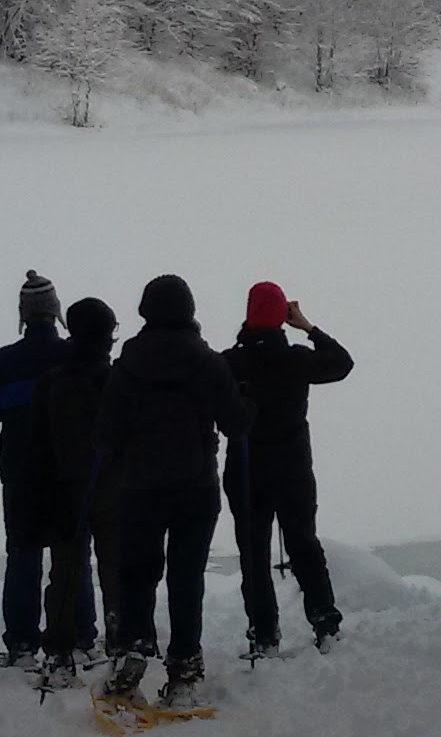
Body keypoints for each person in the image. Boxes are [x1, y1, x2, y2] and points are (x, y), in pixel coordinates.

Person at [93, 274, 249, 708]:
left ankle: (133, 651)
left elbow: (105, 435)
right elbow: (237, 424)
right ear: (189, 311)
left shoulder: (127, 366)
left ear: (145, 311)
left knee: (137, 573)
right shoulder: (209, 362)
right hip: (196, 488)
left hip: (139, 487)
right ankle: (184, 670)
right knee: (186, 577)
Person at [221, 281, 355, 655]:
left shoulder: (229, 363)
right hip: (293, 470)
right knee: (304, 545)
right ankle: (325, 623)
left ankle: (264, 635)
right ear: (282, 315)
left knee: (254, 554)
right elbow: (342, 363)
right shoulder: (297, 360)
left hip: (246, 472)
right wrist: (308, 327)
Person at [0, 271, 75, 666]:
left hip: (19, 469)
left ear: (23, 313)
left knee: (23, 554)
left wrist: (12, 416)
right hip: (67, 469)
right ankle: (78, 633)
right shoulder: (72, 354)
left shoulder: (5, 360)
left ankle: (22, 642)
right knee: (71, 555)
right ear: (56, 311)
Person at [34, 296, 119, 687]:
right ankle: (122, 647)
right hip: (111, 486)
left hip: (63, 487)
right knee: (117, 570)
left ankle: (59, 654)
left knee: (65, 571)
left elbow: (37, 441)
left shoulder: (54, 380)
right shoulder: (115, 380)